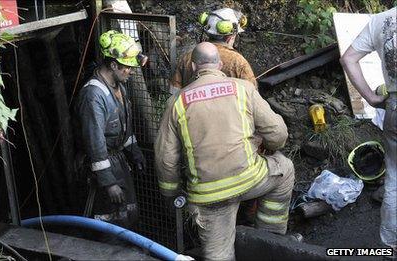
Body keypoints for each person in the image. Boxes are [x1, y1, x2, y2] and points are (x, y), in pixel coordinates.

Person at [155, 42, 295, 260]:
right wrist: (271, 149)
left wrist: (171, 194)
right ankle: (270, 238)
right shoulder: (244, 89)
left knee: (218, 256)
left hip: (208, 196)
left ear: (193, 67)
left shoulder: (176, 102)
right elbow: (278, 133)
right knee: (284, 168)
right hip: (250, 179)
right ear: (219, 65)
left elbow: (166, 158)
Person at [76, 30, 146, 229]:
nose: (130, 71)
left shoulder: (119, 86)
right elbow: (95, 142)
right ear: (113, 65)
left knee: (128, 214)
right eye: (126, 67)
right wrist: (108, 183)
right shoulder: (93, 96)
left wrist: (135, 152)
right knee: (109, 219)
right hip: (103, 167)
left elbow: (124, 127)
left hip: (119, 162)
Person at [340, 7, 396, 255]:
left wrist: (372, 98)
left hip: (395, 106)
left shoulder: (382, 20)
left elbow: (348, 59)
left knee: (395, 177)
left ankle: (390, 246)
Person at [170, 8, 257, 93]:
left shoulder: (187, 58)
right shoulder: (239, 62)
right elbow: (253, 94)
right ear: (231, 37)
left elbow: (174, 92)